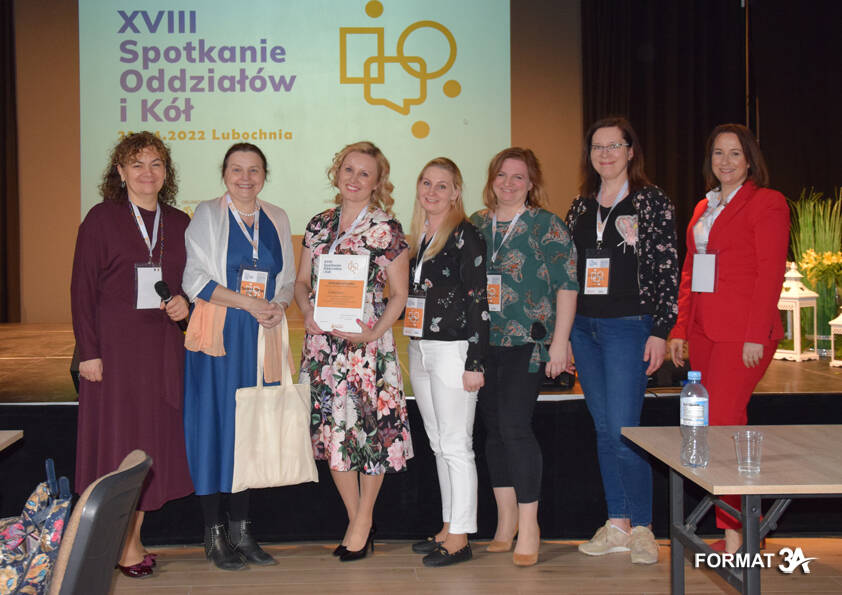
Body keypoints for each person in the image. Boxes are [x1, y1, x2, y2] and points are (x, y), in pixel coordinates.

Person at [71, 131, 194, 578]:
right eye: (137, 164)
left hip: (162, 352)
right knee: (120, 445)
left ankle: (130, 540)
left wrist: (186, 304)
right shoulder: (101, 218)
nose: (147, 172)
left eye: (156, 163)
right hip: (114, 355)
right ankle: (123, 545)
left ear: (166, 172)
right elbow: (81, 290)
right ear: (120, 172)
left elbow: (190, 283)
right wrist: (89, 353)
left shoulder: (180, 222)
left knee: (149, 446)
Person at [669, 123, 789, 554]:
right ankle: (736, 531)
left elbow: (771, 272)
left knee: (722, 424)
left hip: (743, 335)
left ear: (750, 159)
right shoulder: (704, 206)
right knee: (706, 426)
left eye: (735, 153)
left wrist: (756, 334)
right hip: (704, 331)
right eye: (718, 153)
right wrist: (681, 328)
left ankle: (741, 534)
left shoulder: (767, 202)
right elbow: (691, 270)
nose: (726, 161)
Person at [565, 116, 679, 565]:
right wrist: (564, 334)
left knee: (624, 428)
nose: (605, 154)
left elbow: (667, 267)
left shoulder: (650, 201)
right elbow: (568, 273)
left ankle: (644, 528)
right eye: (598, 147)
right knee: (603, 427)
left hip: (629, 326)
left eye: (614, 146)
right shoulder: (580, 206)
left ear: (631, 151)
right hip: (584, 328)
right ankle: (617, 524)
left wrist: (660, 330)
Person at [295, 141, 412, 562]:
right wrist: (306, 310)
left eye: (365, 173)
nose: (355, 179)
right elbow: (301, 282)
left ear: (378, 182)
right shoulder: (318, 225)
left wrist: (375, 332)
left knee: (370, 436)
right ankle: (357, 519)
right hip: (324, 347)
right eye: (349, 169)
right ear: (337, 173)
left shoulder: (386, 229)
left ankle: (362, 521)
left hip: (366, 348)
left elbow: (399, 294)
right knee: (334, 435)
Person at [182, 143, 295, 570]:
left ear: (264, 174)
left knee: (249, 431)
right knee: (215, 429)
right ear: (224, 174)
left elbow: (286, 280)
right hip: (219, 338)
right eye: (236, 169)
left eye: (254, 170)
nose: (245, 178)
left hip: (260, 337)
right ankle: (214, 534)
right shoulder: (207, 214)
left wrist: (278, 305)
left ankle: (242, 531)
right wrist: (249, 303)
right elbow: (194, 280)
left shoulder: (277, 216)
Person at [469, 147, 578, 567]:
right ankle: (506, 521)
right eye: (502, 175)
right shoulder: (477, 223)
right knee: (494, 431)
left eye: (518, 177)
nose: (509, 183)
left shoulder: (546, 225)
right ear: (491, 179)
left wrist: (560, 342)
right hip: (484, 343)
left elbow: (567, 285)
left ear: (531, 183)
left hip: (527, 344)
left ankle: (530, 525)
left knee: (515, 428)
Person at [405, 158, 489, 567]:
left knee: (456, 444)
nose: (432, 191)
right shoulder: (420, 234)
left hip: (454, 351)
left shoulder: (466, 235)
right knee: (439, 443)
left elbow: (478, 301)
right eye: (426, 183)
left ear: (456, 192)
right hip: (420, 347)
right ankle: (447, 525)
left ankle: (460, 536)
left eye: (443, 185)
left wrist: (475, 361)